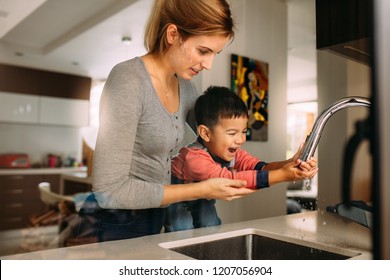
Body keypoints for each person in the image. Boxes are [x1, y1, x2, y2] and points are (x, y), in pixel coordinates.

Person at [73, 0, 258, 244]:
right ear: (173, 34)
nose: (209, 64)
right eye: (203, 51)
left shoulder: (187, 88)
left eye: (215, 53)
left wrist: (282, 168)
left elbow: (218, 140)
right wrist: (201, 190)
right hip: (111, 223)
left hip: (154, 215)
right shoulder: (129, 80)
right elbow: (108, 192)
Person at [164, 86, 318, 232]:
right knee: (181, 229)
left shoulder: (233, 153)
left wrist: (291, 163)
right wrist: (283, 175)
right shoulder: (194, 158)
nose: (240, 140)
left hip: (203, 194)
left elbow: (260, 167)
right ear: (205, 133)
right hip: (178, 197)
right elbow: (229, 180)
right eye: (232, 133)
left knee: (210, 226)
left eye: (243, 131)